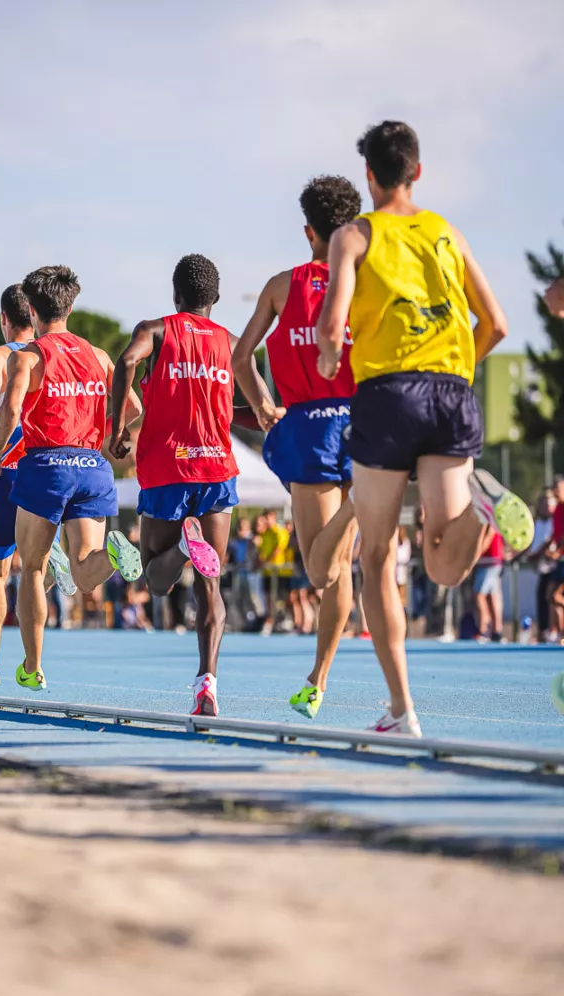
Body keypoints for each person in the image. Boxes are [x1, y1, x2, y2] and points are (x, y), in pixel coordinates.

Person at [317, 120, 534, 735]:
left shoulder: (354, 235)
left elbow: (334, 324)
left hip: (388, 393)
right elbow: (495, 323)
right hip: (451, 389)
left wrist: (331, 355)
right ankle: (477, 512)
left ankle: (401, 710)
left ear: (370, 175)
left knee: (380, 556)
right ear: (418, 171)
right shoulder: (446, 231)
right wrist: (454, 369)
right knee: (443, 566)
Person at [232, 175, 362, 716]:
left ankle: (320, 679)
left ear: (308, 230)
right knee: (353, 565)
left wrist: (262, 404)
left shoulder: (282, 286)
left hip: (309, 424)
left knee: (322, 571)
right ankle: (321, 680)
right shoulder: (368, 279)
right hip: (364, 420)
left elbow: (241, 358)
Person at [0, 265, 143, 690]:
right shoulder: (99, 355)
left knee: (33, 569)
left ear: (31, 310)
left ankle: (33, 668)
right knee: (87, 572)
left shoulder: (29, 356)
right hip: (93, 466)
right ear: (70, 306)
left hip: (46, 466)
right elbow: (133, 408)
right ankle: (113, 554)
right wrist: (112, 434)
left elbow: (11, 409)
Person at [109, 254, 244, 717]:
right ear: (216, 298)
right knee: (213, 587)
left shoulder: (158, 329)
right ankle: (207, 682)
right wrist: (257, 417)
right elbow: (256, 403)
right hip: (216, 468)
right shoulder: (230, 341)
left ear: (175, 294)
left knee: (156, 579)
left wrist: (117, 430)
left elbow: (127, 360)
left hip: (169, 467)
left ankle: (185, 549)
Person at [0, 283, 75, 686]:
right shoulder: (53, 354)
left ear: (5, 319)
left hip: (5, 471)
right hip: (45, 469)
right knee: (33, 566)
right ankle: (33, 665)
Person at [529, 490, 556, 642]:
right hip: (542, 568)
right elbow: (530, 543)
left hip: (555, 566)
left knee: (553, 598)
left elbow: (550, 540)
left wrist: (539, 554)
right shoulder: (537, 522)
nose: (545, 504)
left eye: (548, 500)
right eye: (543, 500)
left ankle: (555, 631)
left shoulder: (556, 520)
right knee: (542, 599)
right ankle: (543, 631)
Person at [473, 532, 505, 642]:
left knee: (479, 596)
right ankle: (497, 631)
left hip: (490, 561)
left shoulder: (489, 517)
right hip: (491, 561)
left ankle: (484, 630)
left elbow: (488, 536)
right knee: (492, 596)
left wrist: (475, 554)